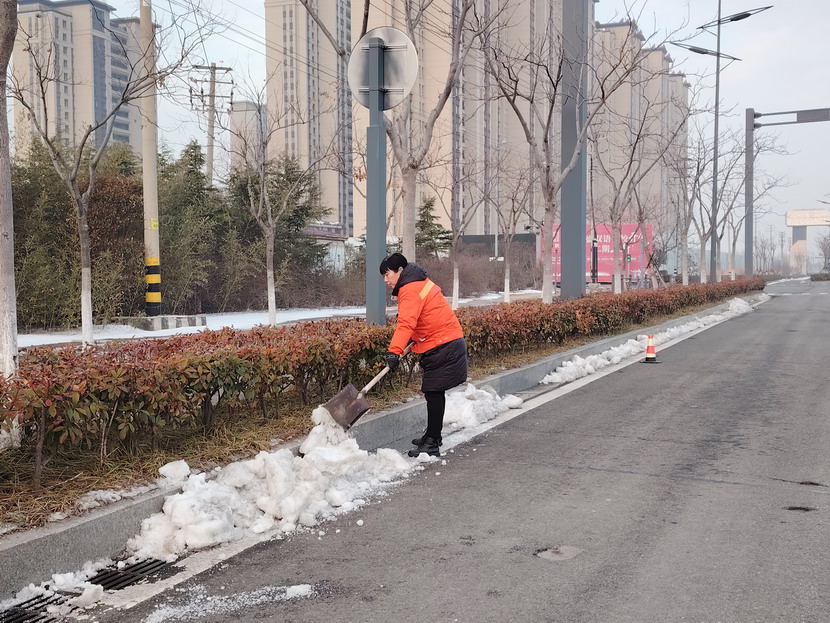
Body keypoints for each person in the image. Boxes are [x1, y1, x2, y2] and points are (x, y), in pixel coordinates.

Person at [380, 252, 467, 457]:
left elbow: (406, 323)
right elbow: (424, 318)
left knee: (433, 391)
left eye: (387, 274)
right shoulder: (418, 282)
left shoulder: (409, 289)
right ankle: (432, 436)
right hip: (445, 340)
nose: (385, 280)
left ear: (399, 271)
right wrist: (411, 339)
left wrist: (393, 352)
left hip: (442, 344)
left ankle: (432, 443)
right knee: (434, 392)